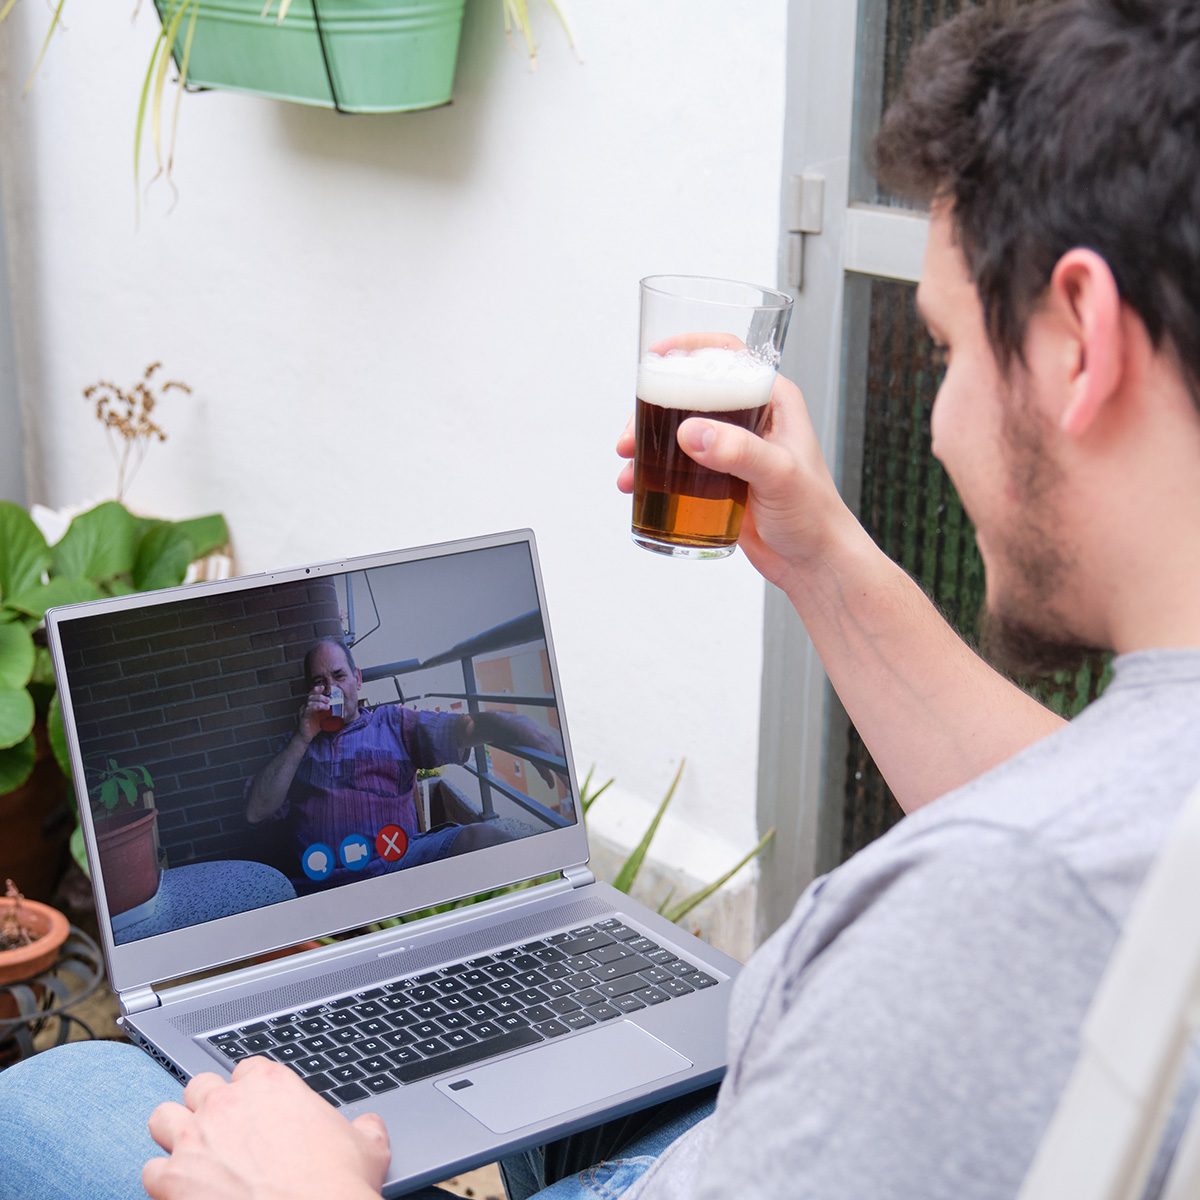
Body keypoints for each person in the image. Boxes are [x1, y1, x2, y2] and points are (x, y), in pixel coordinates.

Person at [2, 2, 1199, 1197]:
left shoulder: (999, 893)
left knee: (52, 1100)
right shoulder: (1139, 815)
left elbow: (474, 735)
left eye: (943, 349)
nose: (935, 423)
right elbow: (1065, 789)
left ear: (1078, 338)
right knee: (533, 1024)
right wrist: (822, 558)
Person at [246, 637, 566, 887]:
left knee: (482, 839)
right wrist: (302, 738)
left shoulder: (392, 723)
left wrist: (516, 725)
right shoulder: (295, 745)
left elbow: (461, 729)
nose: (331, 689)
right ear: (310, 692)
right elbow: (256, 810)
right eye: (319, 681)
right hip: (325, 881)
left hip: (398, 864)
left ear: (357, 679)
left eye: (339, 675)